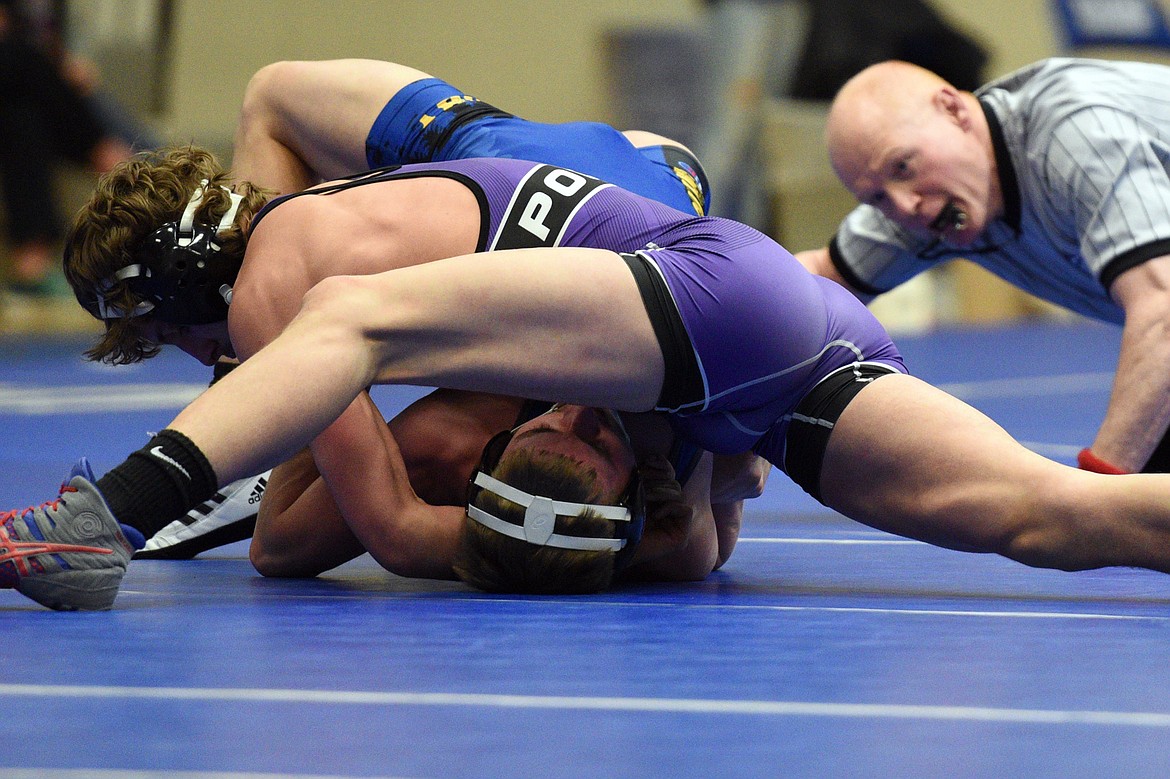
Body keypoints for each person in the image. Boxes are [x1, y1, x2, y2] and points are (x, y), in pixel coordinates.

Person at [12, 153, 1170, 613]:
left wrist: (540, 539)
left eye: (167, 338)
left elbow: (380, 536)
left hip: (706, 302)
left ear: (165, 302)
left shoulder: (285, 279)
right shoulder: (362, 202)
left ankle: (106, 515)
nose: (198, 362)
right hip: (769, 340)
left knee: (342, 325)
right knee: (1046, 511)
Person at [133, 57, 721, 561]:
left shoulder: (454, 432)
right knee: (270, 95)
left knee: (272, 99)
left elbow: (366, 537)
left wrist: (621, 544)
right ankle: (270, 419)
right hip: (630, 178)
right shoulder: (707, 370)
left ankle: (266, 417)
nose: (579, 420)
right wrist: (635, 543)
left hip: (589, 196)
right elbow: (702, 540)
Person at [796, 57, 1170, 476]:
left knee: (1131, 509)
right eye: (877, 199)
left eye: (903, 166)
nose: (904, 206)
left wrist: (1098, 499)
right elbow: (813, 285)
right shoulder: (928, 204)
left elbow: (1164, 310)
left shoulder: (1074, 132)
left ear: (954, 111)